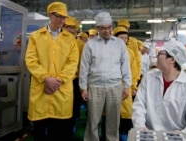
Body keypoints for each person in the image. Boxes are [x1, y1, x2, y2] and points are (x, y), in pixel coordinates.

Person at [25, 2, 79, 141]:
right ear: (50, 15)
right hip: (41, 89)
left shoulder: (70, 39)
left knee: (60, 132)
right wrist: (46, 79)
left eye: (64, 17)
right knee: (40, 132)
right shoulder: (35, 36)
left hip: (61, 91)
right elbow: (31, 60)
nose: (62, 20)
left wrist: (56, 82)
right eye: (58, 16)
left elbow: (72, 63)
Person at [132, 39, 186, 135]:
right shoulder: (149, 78)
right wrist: (140, 127)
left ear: (172, 59)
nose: (157, 56)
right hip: (149, 134)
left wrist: (182, 133)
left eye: (160, 53)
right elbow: (139, 105)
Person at [79, 12, 131, 141]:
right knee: (93, 120)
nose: (107, 31)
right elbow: (84, 67)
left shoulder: (119, 44)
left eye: (109, 27)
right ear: (97, 29)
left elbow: (125, 66)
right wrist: (83, 87)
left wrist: (127, 86)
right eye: (103, 28)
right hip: (95, 86)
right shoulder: (90, 45)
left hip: (115, 86)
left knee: (113, 121)